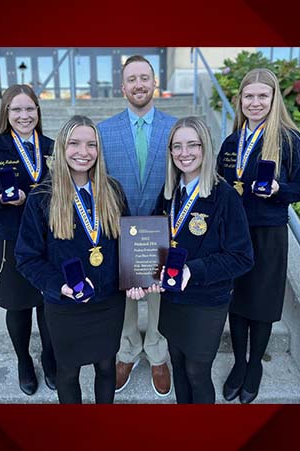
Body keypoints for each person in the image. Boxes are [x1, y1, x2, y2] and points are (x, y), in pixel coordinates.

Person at [129, 116, 253, 404]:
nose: (185, 153)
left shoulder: (225, 196)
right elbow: (156, 241)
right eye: (177, 146)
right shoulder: (170, 193)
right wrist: (141, 276)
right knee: (179, 366)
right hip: (173, 300)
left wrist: (191, 271)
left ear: (205, 148)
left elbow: (242, 257)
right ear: (170, 152)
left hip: (206, 302)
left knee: (198, 372)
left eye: (192, 145)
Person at [15, 115, 128, 404]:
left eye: (91, 144)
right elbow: (27, 258)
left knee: (106, 367)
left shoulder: (113, 191)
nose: (83, 152)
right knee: (67, 372)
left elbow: (127, 244)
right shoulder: (42, 196)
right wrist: (58, 286)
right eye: (75, 143)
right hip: (66, 305)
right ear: (62, 148)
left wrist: (137, 278)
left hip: (109, 302)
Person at [216, 68, 300, 404]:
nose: (254, 103)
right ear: (239, 101)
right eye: (248, 96)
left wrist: (281, 189)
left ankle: (255, 366)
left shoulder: (288, 140)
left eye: (262, 96)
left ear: (273, 99)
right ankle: (238, 363)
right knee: (237, 301)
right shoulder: (231, 141)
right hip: (234, 236)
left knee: (262, 303)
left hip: (268, 233)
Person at [97, 55, 176, 396]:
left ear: (154, 82)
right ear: (123, 86)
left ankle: (158, 353)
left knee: (161, 299)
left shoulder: (176, 128)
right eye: (132, 79)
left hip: (164, 231)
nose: (139, 84)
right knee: (125, 301)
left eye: (145, 77)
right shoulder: (103, 131)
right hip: (119, 232)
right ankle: (127, 350)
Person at [0, 84, 56, 396]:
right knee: (18, 307)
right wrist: (0, 197)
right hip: (8, 241)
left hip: (49, 242)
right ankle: (24, 360)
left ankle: (49, 359)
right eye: (17, 110)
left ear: (38, 111)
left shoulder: (52, 147)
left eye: (30, 109)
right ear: (6, 113)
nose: (24, 115)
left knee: (48, 305)